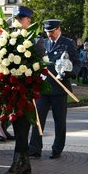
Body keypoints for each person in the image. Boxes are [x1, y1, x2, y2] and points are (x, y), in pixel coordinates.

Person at [28, 19, 81, 159]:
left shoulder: (67, 43)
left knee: (59, 121)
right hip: (42, 88)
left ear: (58, 29)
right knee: (38, 120)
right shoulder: (42, 43)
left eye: (51, 31)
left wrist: (72, 72)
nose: (49, 34)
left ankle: (57, 149)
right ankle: (34, 148)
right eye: (47, 32)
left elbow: (77, 62)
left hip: (59, 88)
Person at [4, 6, 46, 174]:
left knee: (22, 129)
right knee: (18, 129)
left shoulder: (36, 40)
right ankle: (25, 164)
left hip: (27, 93)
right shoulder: (8, 39)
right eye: (18, 19)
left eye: (23, 19)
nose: (21, 22)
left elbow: (41, 64)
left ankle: (16, 164)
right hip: (12, 90)